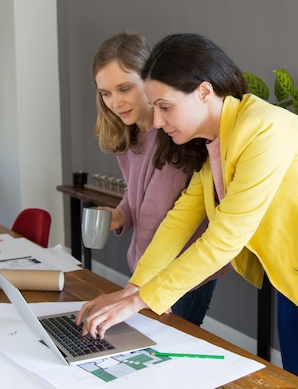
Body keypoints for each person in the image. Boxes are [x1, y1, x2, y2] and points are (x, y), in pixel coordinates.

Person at [78, 33, 298, 389]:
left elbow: (224, 239)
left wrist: (141, 300)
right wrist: (134, 288)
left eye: (165, 106)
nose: (158, 122)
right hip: (294, 283)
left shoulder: (263, 130)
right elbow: (179, 220)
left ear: (204, 92)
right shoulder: (216, 143)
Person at [90, 31, 230, 326]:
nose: (115, 102)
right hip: (149, 267)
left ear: (151, 80)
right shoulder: (130, 134)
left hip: (180, 268)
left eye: (124, 88)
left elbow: (166, 213)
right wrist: (120, 215)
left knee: (168, 344)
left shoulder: (175, 131)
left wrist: (139, 289)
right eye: (106, 93)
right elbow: (136, 192)